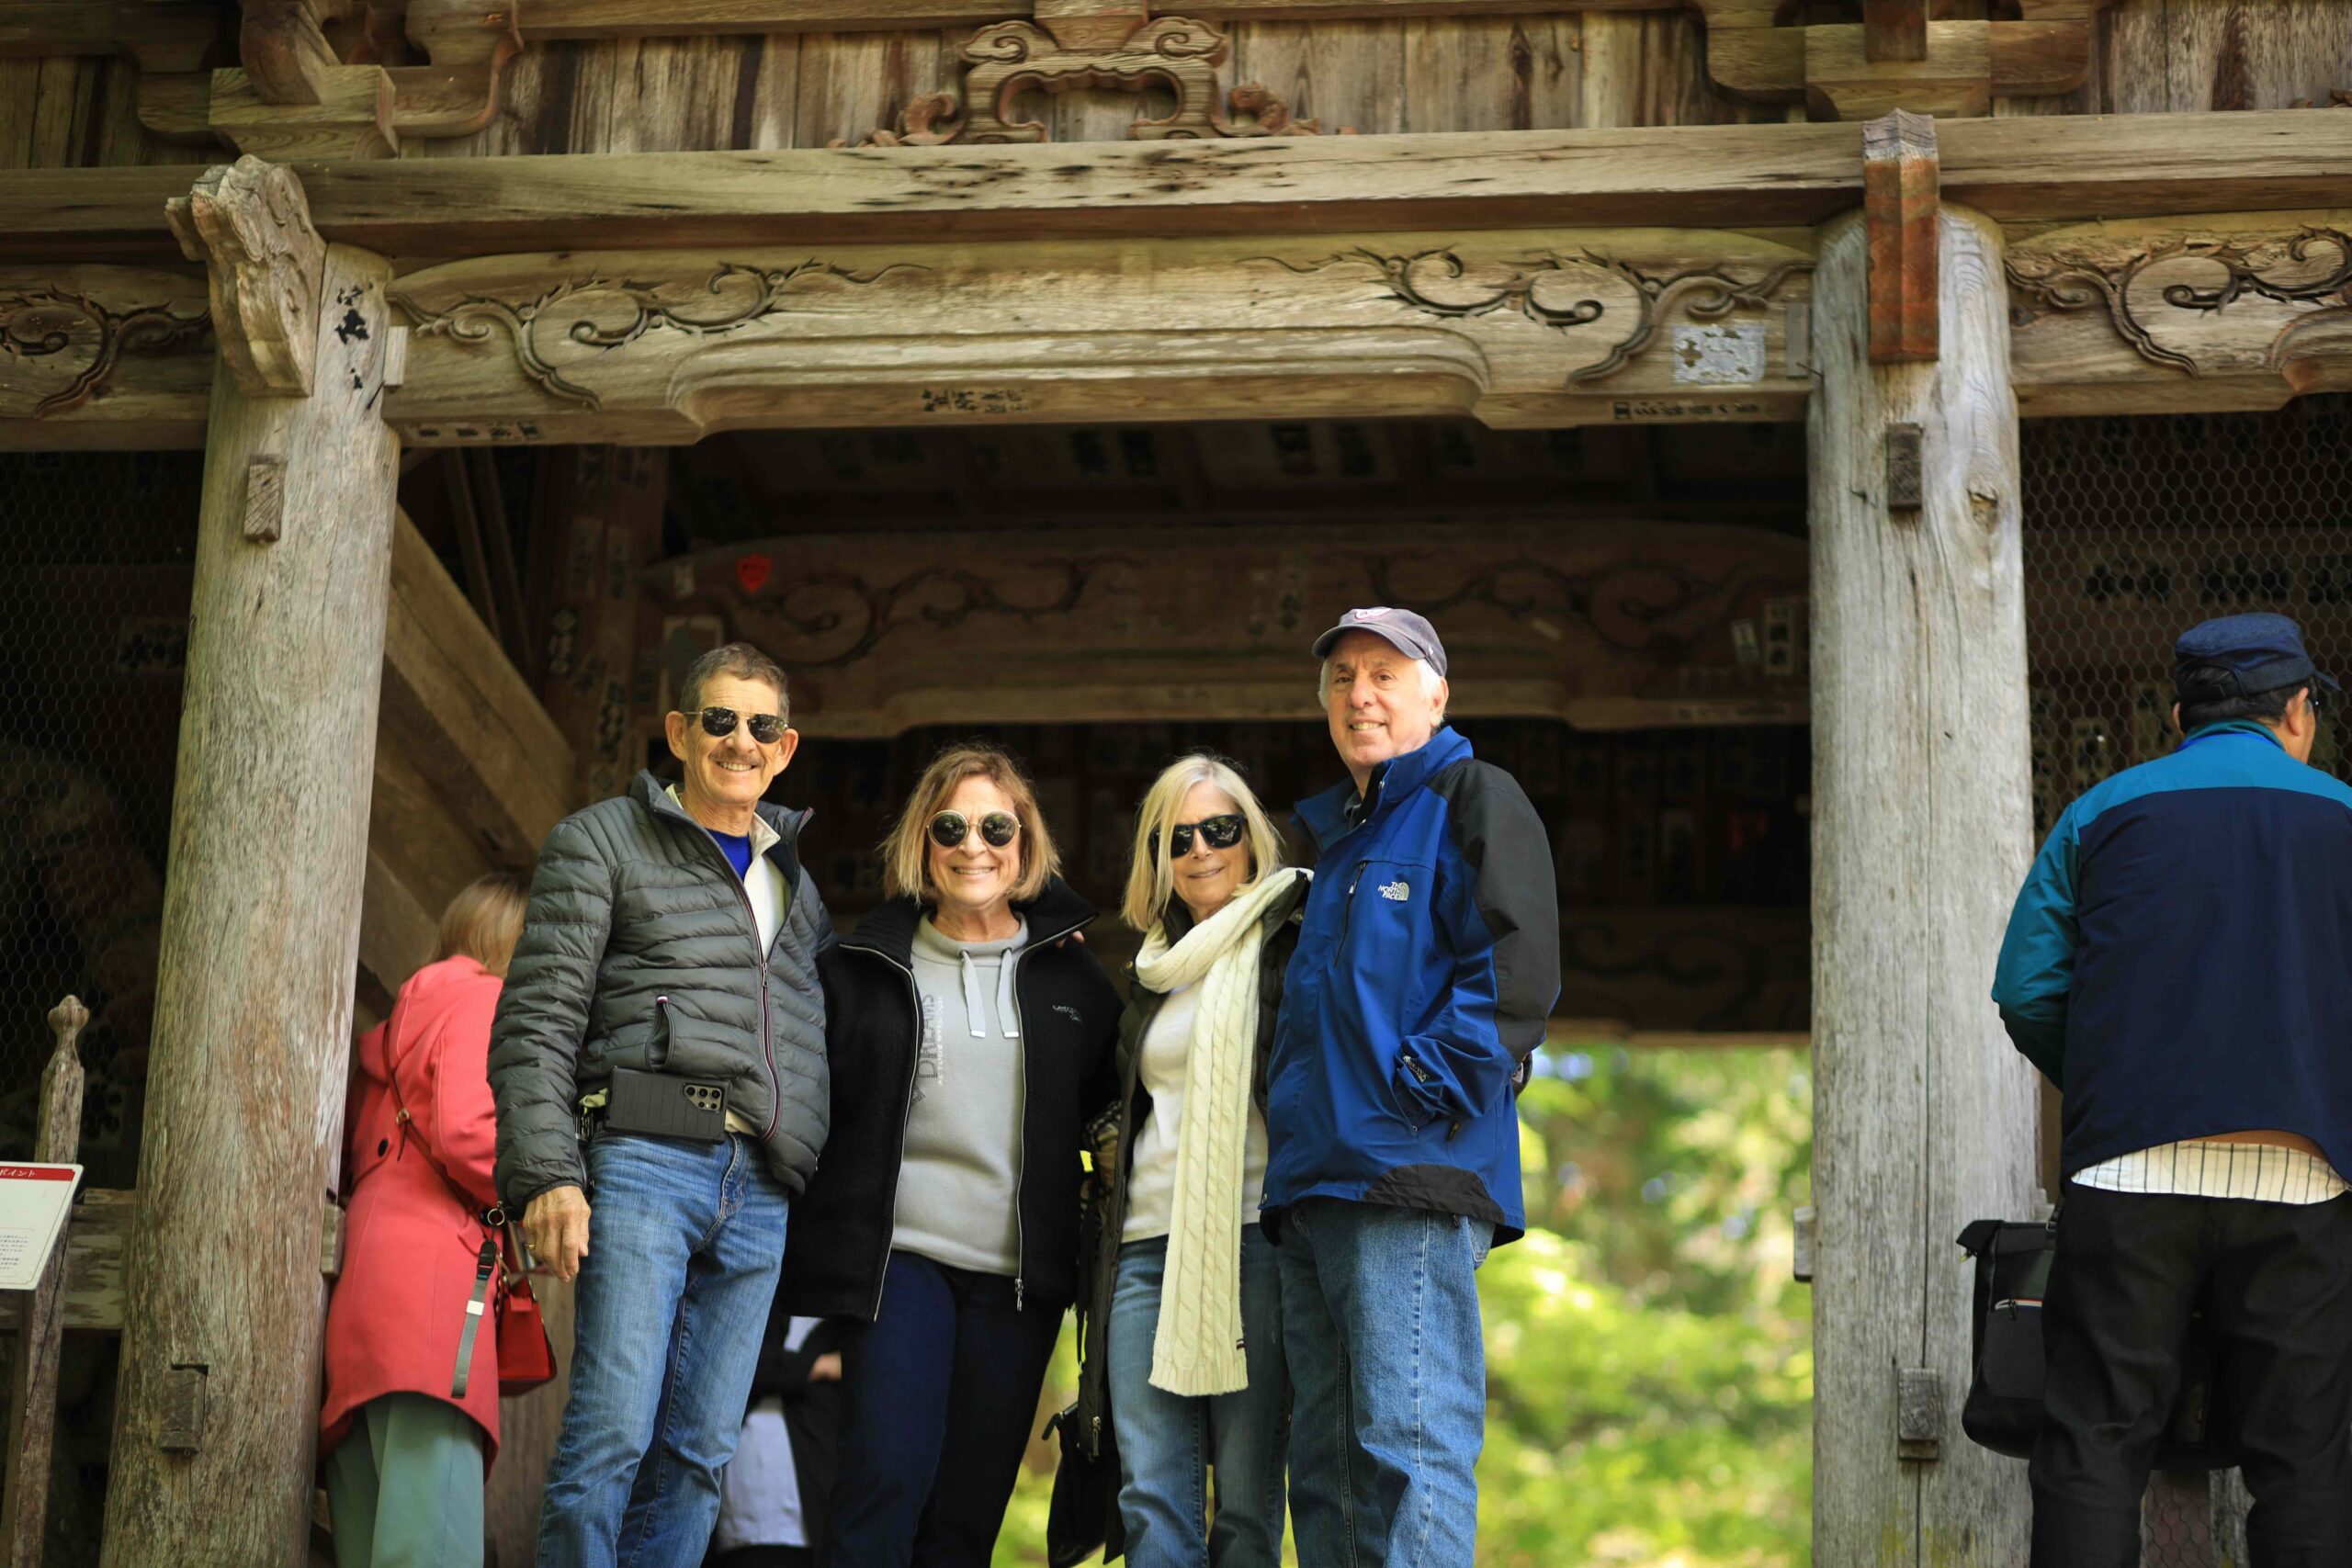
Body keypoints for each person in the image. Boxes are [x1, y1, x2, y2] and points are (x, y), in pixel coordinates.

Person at [1993, 611, 2352, 1568]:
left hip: (2129, 1174)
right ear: (2297, 711)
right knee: (2305, 1457)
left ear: (2184, 717)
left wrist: (2123, 1085)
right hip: (2304, 1176)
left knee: (2093, 1444)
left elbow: (2025, 988)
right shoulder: (2343, 817)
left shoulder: (2102, 812)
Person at [488, 642, 835, 1568]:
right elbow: (534, 1022)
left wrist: (802, 1157)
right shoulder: (598, 840)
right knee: (611, 1434)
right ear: (679, 731)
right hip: (643, 1156)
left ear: (787, 746)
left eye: (761, 726)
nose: (740, 741)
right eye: (718, 720)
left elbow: (806, 1034)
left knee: (700, 1456)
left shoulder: (796, 887)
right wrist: (548, 1175)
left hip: (758, 1184)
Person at [1264, 606, 1560, 1566]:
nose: (1361, 694)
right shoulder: (1331, 841)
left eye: (1385, 674)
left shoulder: (1470, 795)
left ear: (1436, 693)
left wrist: (1418, 1090)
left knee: (1410, 1442)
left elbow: (1517, 971)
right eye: (1343, 677)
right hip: (1314, 1186)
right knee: (1325, 1464)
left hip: (1407, 1176)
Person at [781, 741, 1121, 1566]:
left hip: (1018, 1285)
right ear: (922, 846)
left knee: (966, 1519)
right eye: (951, 826)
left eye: (996, 825)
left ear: (1025, 842)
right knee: (881, 1485)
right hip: (901, 1266)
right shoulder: (860, 971)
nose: (975, 844)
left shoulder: (1074, 983)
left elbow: (1117, 1114)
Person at [1074, 754, 1309, 1568]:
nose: (1202, 849)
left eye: (1221, 828)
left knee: (1248, 1504)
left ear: (1253, 838)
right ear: (1158, 857)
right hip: (1141, 1250)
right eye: (1180, 837)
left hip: (1253, 1243)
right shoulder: (1148, 972)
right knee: (1150, 1500)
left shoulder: (1293, 941)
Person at [320, 872, 528, 1568]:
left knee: (373, 1545)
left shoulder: (399, 1027)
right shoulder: (486, 999)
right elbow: (471, 1134)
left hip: (365, 1317)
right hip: (435, 1313)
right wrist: (552, 1181)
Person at [706, 1303, 844, 1568]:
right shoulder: (755, 1302)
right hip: (740, 1519)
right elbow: (732, 1362)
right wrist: (820, 1367)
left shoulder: (845, 1325)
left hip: (816, 1516)